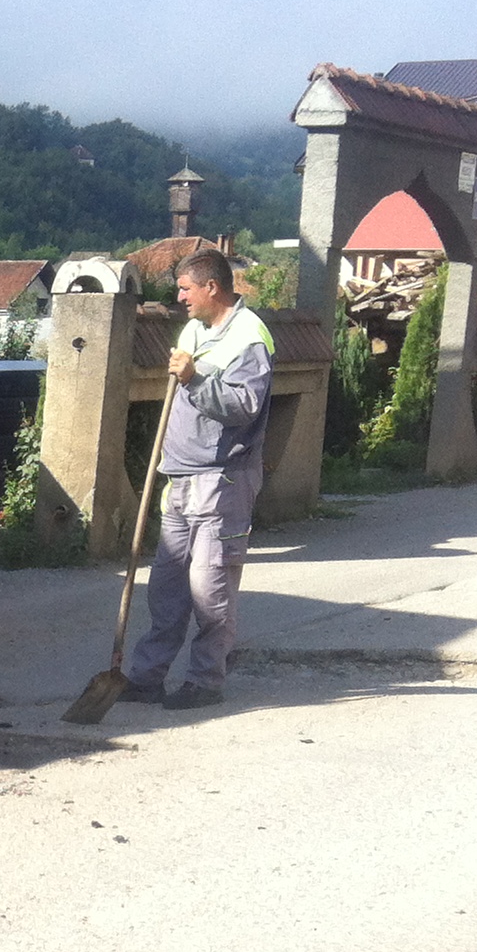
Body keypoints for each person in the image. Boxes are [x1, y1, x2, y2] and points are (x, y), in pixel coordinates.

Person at [123, 249, 273, 710]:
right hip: (181, 475)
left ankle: (205, 682)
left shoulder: (249, 338)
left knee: (211, 588)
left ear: (212, 287)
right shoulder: (194, 329)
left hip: (223, 478)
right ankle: (147, 677)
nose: (180, 296)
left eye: (186, 288)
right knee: (167, 587)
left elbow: (243, 407)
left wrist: (193, 379)